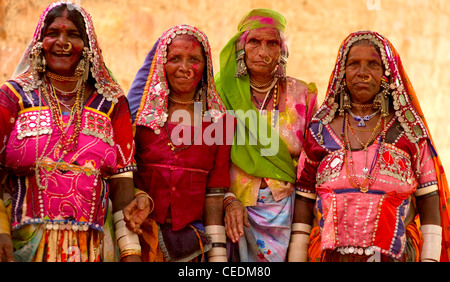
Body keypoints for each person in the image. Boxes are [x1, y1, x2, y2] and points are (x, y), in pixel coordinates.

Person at [291, 30, 450, 262]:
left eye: (373, 65)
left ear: (386, 73)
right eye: (354, 64)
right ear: (342, 73)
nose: (363, 73)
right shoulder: (319, 133)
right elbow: (304, 200)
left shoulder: (410, 134)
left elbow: (429, 201)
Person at [0, 2, 141, 262]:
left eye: (73, 35)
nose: (62, 42)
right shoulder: (12, 97)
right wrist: (1, 232)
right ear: (39, 42)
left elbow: (123, 184)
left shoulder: (112, 103)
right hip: (21, 246)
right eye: (53, 33)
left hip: (95, 248)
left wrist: (131, 252)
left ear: (88, 46)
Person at [214, 9, 318, 262]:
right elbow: (208, 159)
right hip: (233, 208)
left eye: (272, 43)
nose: (263, 52)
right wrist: (227, 200)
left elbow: (314, 159)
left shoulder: (302, 95)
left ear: (282, 50)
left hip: (291, 210)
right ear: (240, 47)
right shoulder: (218, 95)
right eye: (254, 42)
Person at [125, 24, 232, 262]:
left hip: (193, 245)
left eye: (194, 59)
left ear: (206, 66)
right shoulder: (139, 118)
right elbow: (121, 179)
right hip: (138, 238)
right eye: (175, 58)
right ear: (162, 63)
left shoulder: (220, 122)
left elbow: (214, 195)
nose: (185, 68)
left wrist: (217, 259)